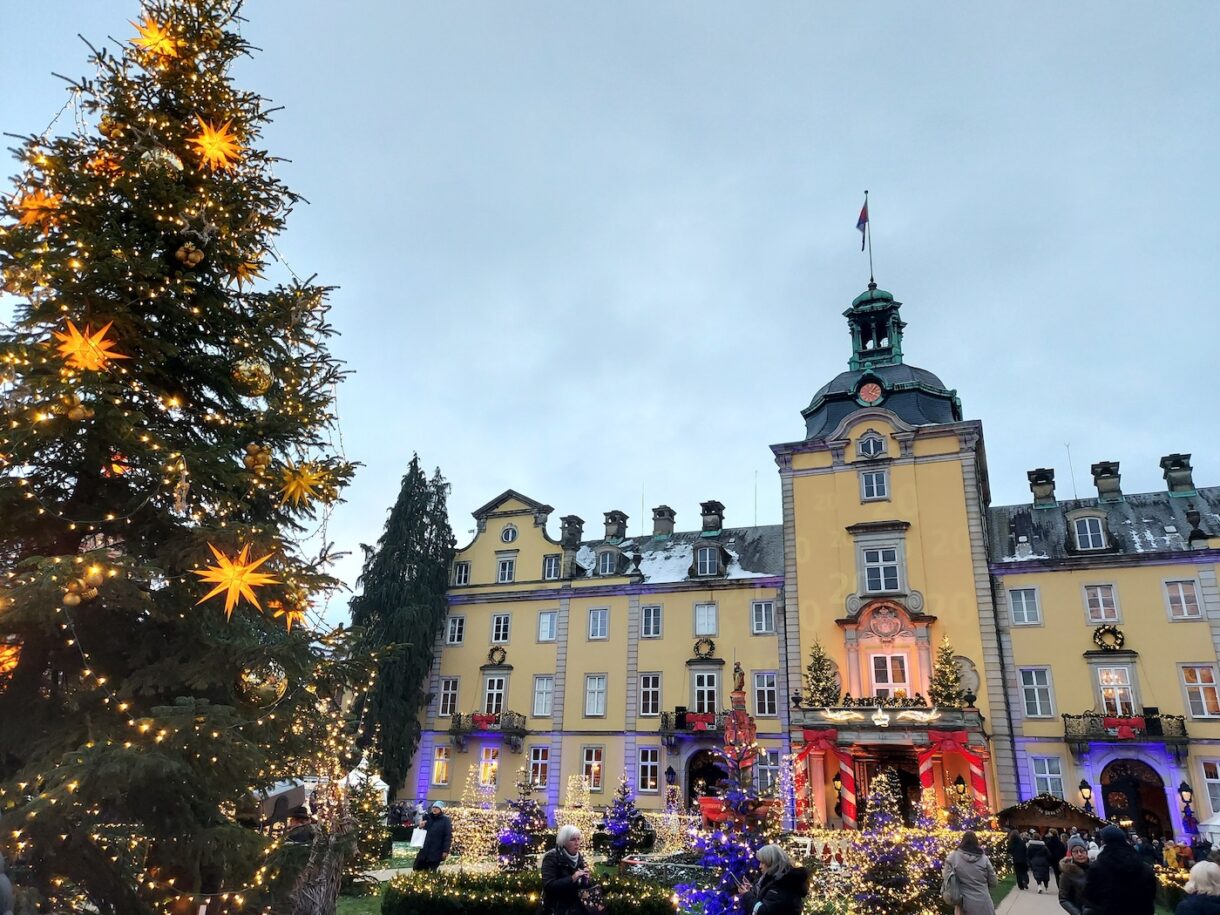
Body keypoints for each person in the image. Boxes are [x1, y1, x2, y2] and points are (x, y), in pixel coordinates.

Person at [1084, 825, 1157, 915]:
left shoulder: (1097, 867)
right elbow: (1152, 893)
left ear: (1104, 842)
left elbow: (1090, 895)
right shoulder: (1143, 866)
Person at [739, 844, 809, 915]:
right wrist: (750, 890)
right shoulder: (775, 880)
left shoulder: (783, 885)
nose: (760, 866)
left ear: (772, 863)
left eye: (763, 862)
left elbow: (763, 911)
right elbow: (765, 899)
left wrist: (747, 895)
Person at [541, 825, 593, 915]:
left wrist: (586, 880)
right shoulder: (551, 857)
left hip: (577, 906)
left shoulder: (578, 857)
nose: (577, 843)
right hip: (557, 907)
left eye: (578, 839)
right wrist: (572, 878)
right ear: (563, 841)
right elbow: (549, 886)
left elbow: (583, 887)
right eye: (573, 839)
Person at [943, 831, 998, 915]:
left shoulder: (952, 858)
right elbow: (993, 882)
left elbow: (948, 881)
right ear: (976, 842)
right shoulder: (984, 859)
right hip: (984, 903)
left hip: (963, 905)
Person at [413, 800, 452, 872]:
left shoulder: (445, 820)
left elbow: (447, 836)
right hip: (425, 849)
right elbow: (420, 833)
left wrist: (445, 850)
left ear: (441, 809)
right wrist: (420, 827)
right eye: (434, 807)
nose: (434, 809)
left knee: (431, 871)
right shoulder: (427, 818)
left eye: (437, 807)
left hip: (436, 850)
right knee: (418, 869)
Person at [1059, 836, 1092, 915]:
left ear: (1086, 851)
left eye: (1082, 851)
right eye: (1075, 851)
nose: (1079, 854)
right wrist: (1077, 913)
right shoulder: (1067, 872)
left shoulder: (1095, 868)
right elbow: (1063, 899)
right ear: (1071, 854)